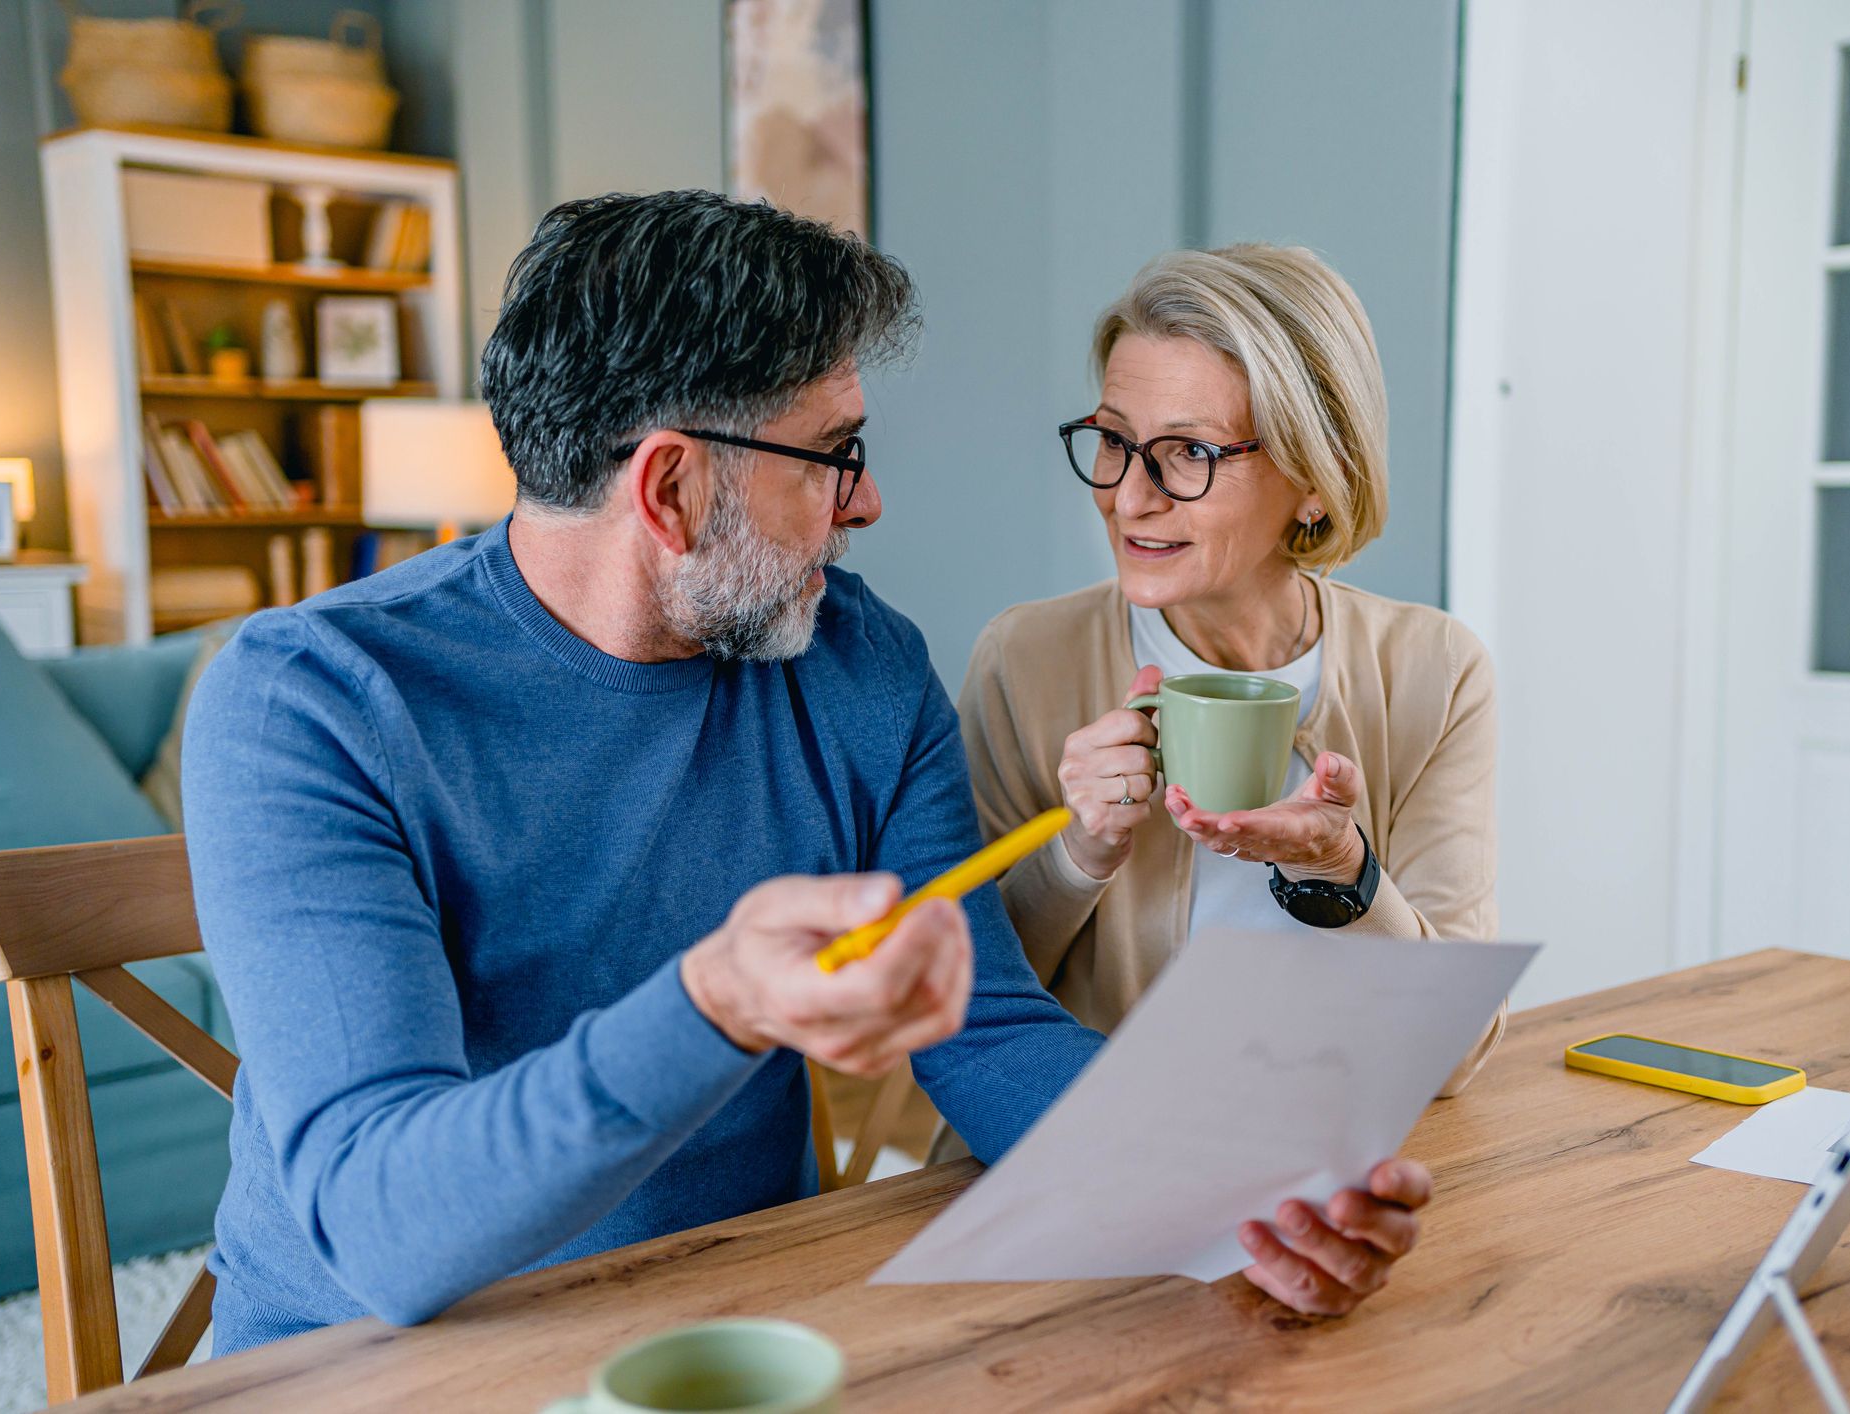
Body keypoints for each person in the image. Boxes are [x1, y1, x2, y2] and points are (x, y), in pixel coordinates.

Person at [182, 194, 1432, 1353]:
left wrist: (1246, 1186)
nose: (868, 500)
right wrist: (717, 1000)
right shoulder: (314, 700)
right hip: (369, 1363)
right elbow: (384, 1227)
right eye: (834, 453)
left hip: (727, 1337)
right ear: (672, 488)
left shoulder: (858, 664)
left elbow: (988, 1032)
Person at [957, 244, 1504, 1092]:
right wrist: (1077, 853)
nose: (1127, 498)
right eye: (1113, 440)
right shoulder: (1025, 661)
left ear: (1317, 475)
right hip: (1094, 1135)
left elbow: (1453, 1058)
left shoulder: (1433, 673)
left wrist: (1340, 870)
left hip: (1331, 1139)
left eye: (1189, 452)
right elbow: (959, 1012)